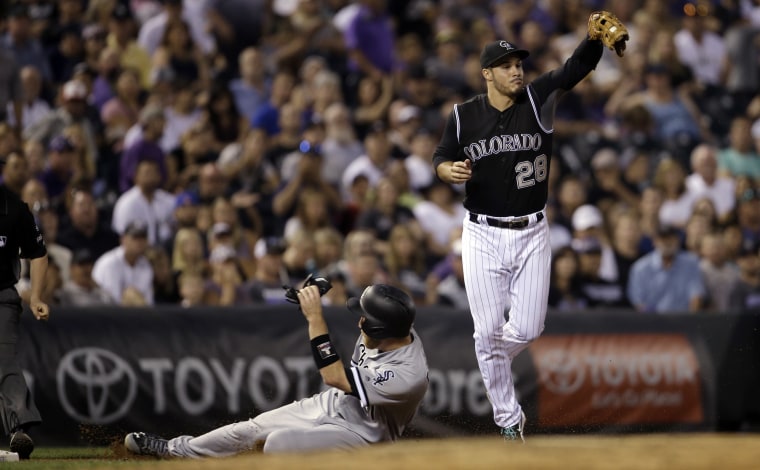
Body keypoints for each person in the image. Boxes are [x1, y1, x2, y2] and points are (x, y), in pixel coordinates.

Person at [432, 20, 613, 439]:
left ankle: (487, 354)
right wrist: (448, 170)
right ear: (487, 74)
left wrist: (592, 40)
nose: (516, 70)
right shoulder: (463, 116)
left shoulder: (537, 99)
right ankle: (509, 421)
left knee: (528, 329)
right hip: (481, 233)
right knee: (487, 329)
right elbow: (440, 158)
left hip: (533, 231)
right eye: (506, 64)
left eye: (518, 63)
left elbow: (574, 69)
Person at [124, 283, 428, 457]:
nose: (359, 321)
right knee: (250, 430)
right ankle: (174, 452)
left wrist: (314, 318)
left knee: (277, 445)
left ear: (381, 328)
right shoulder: (392, 329)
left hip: (364, 436)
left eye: (365, 317)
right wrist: (308, 300)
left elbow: (333, 375)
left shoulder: (407, 376)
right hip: (334, 404)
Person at [0, 177, 49, 460]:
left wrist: (36, 297)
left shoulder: (14, 209)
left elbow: (38, 254)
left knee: (3, 359)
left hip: (1, 295)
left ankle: (20, 428)